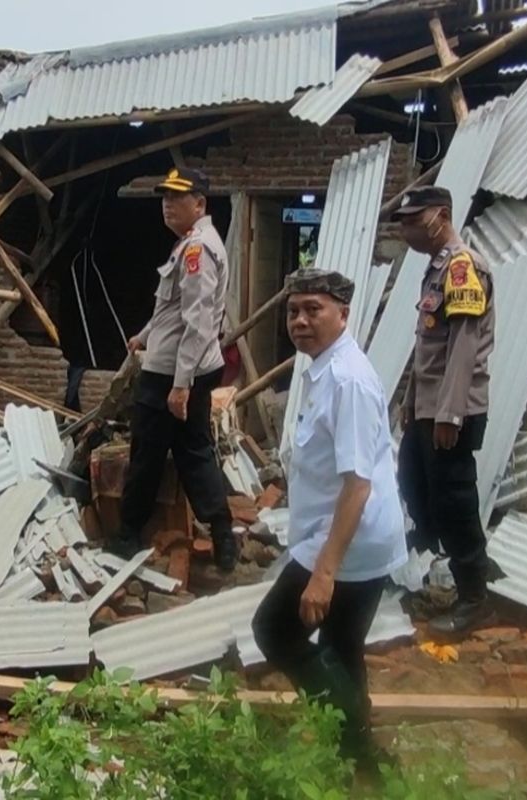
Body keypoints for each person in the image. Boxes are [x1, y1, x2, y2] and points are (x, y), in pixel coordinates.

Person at [252, 268, 406, 778]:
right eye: (293, 311)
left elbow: (357, 485)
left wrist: (324, 571)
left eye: (313, 309)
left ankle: (350, 738)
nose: (300, 321)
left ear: (343, 314)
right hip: (351, 535)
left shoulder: (348, 380)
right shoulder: (324, 367)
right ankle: (361, 759)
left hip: (349, 541)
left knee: (274, 630)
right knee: (342, 647)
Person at [110, 168, 238, 570]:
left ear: (199, 203)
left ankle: (128, 534)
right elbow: (173, 310)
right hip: (183, 366)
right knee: (195, 452)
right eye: (164, 196)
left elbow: (198, 324)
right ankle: (222, 534)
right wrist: (145, 334)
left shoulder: (197, 251)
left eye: (176, 197)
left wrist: (180, 385)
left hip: (174, 373)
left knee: (148, 454)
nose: (167, 204)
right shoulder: (190, 246)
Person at [393, 186, 496, 637]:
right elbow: (426, 348)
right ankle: (433, 572)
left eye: (415, 219)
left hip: (453, 411)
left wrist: (448, 416)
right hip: (428, 408)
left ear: (442, 216)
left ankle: (475, 596)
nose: (408, 228)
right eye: (404, 221)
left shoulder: (462, 268)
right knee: (414, 486)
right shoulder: (435, 269)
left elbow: (463, 348)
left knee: (455, 503)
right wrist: (411, 405)